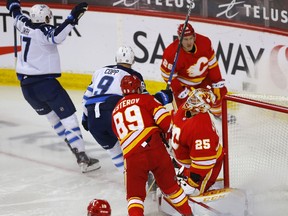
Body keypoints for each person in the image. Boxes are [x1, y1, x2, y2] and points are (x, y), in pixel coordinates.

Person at [6, 1, 100, 173]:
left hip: (27, 88)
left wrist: (13, 4)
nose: (50, 19)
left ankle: (74, 148)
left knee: (54, 120)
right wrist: (72, 18)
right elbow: (57, 36)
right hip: (46, 85)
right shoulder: (43, 32)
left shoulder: (23, 24)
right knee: (69, 118)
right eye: (48, 16)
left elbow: (15, 13)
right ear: (44, 17)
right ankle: (82, 157)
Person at [111, 75, 193, 216]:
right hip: (155, 150)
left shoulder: (114, 112)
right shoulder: (147, 99)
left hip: (132, 156)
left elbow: (121, 138)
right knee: (173, 189)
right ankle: (188, 214)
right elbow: (167, 124)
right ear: (138, 88)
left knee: (135, 198)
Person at [82, 46, 172, 173]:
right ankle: (152, 176)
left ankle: (130, 178)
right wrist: (163, 96)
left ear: (116, 59)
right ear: (133, 60)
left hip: (92, 117)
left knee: (114, 151)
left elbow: (85, 97)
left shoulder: (99, 71)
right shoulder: (133, 75)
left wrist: (85, 118)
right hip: (112, 111)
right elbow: (144, 102)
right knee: (138, 144)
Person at [160, 22, 228, 118]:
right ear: (179, 39)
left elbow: (212, 65)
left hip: (204, 78)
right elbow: (167, 75)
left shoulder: (205, 42)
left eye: (191, 38)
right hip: (184, 84)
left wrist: (216, 82)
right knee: (184, 114)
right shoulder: (171, 53)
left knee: (219, 94)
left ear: (194, 37)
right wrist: (180, 90)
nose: (189, 42)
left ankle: (220, 116)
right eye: (185, 39)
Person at [171, 88, 224, 196]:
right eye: (193, 97)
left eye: (196, 100)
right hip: (189, 164)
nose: (191, 101)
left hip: (205, 169)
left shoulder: (201, 127)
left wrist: (192, 183)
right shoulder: (184, 109)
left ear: (204, 107)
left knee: (190, 194)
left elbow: (205, 161)